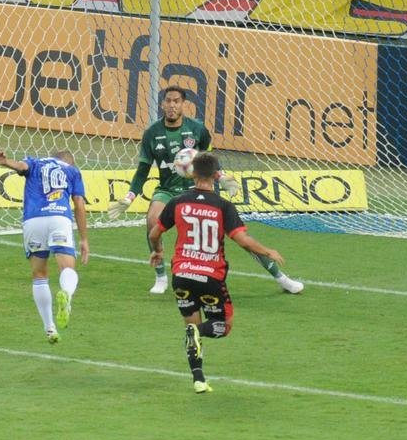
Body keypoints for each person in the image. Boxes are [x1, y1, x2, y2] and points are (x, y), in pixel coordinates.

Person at [108, 84, 303, 295]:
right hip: (168, 190)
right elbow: (142, 171)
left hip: (200, 187)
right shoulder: (152, 134)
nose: (172, 105)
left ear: (183, 105)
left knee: (237, 234)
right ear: (163, 104)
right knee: (152, 220)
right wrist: (129, 198)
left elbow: (208, 161)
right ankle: (161, 277)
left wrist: (221, 178)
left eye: (176, 101)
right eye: (168, 101)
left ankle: (281, 278)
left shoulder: (197, 130)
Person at [149, 153, 286, 394]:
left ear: (192, 173)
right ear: (216, 176)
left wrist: (158, 251)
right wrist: (268, 251)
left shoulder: (178, 202)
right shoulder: (223, 206)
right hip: (211, 277)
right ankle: (198, 333)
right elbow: (242, 240)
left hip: (181, 274)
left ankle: (198, 379)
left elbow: (154, 232)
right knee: (223, 326)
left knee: (190, 324)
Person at [0, 149, 90, 343]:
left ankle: (49, 328)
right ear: (69, 162)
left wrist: (5, 162)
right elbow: (79, 204)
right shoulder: (72, 171)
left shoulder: (36, 162)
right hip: (59, 218)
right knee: (67, 268)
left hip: (33, 220)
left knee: (39, 275)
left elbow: (21, 167)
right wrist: (83, 239)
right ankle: (67, 296)